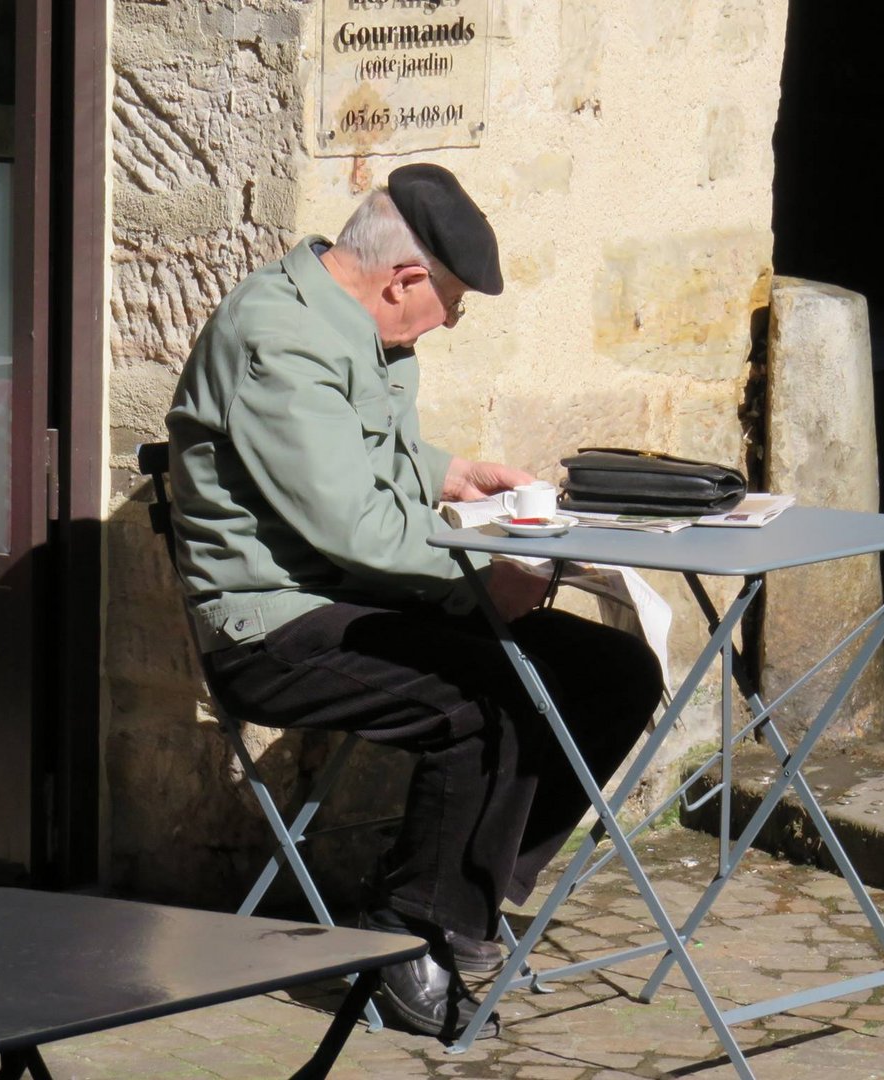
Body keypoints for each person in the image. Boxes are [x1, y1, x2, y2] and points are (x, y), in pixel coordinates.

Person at [165, 163, 662, 1041]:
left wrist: (449, 473)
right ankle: (407, 935)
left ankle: (471, 895)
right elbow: (349, 521)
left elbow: (359, 457)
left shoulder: (361, 326)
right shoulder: (280, 337)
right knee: (489, 700)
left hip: (363, 596)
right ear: (403, 279)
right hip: (277, 623)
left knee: (613, 670)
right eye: (454, 301)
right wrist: (481, 580)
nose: (453, 320)